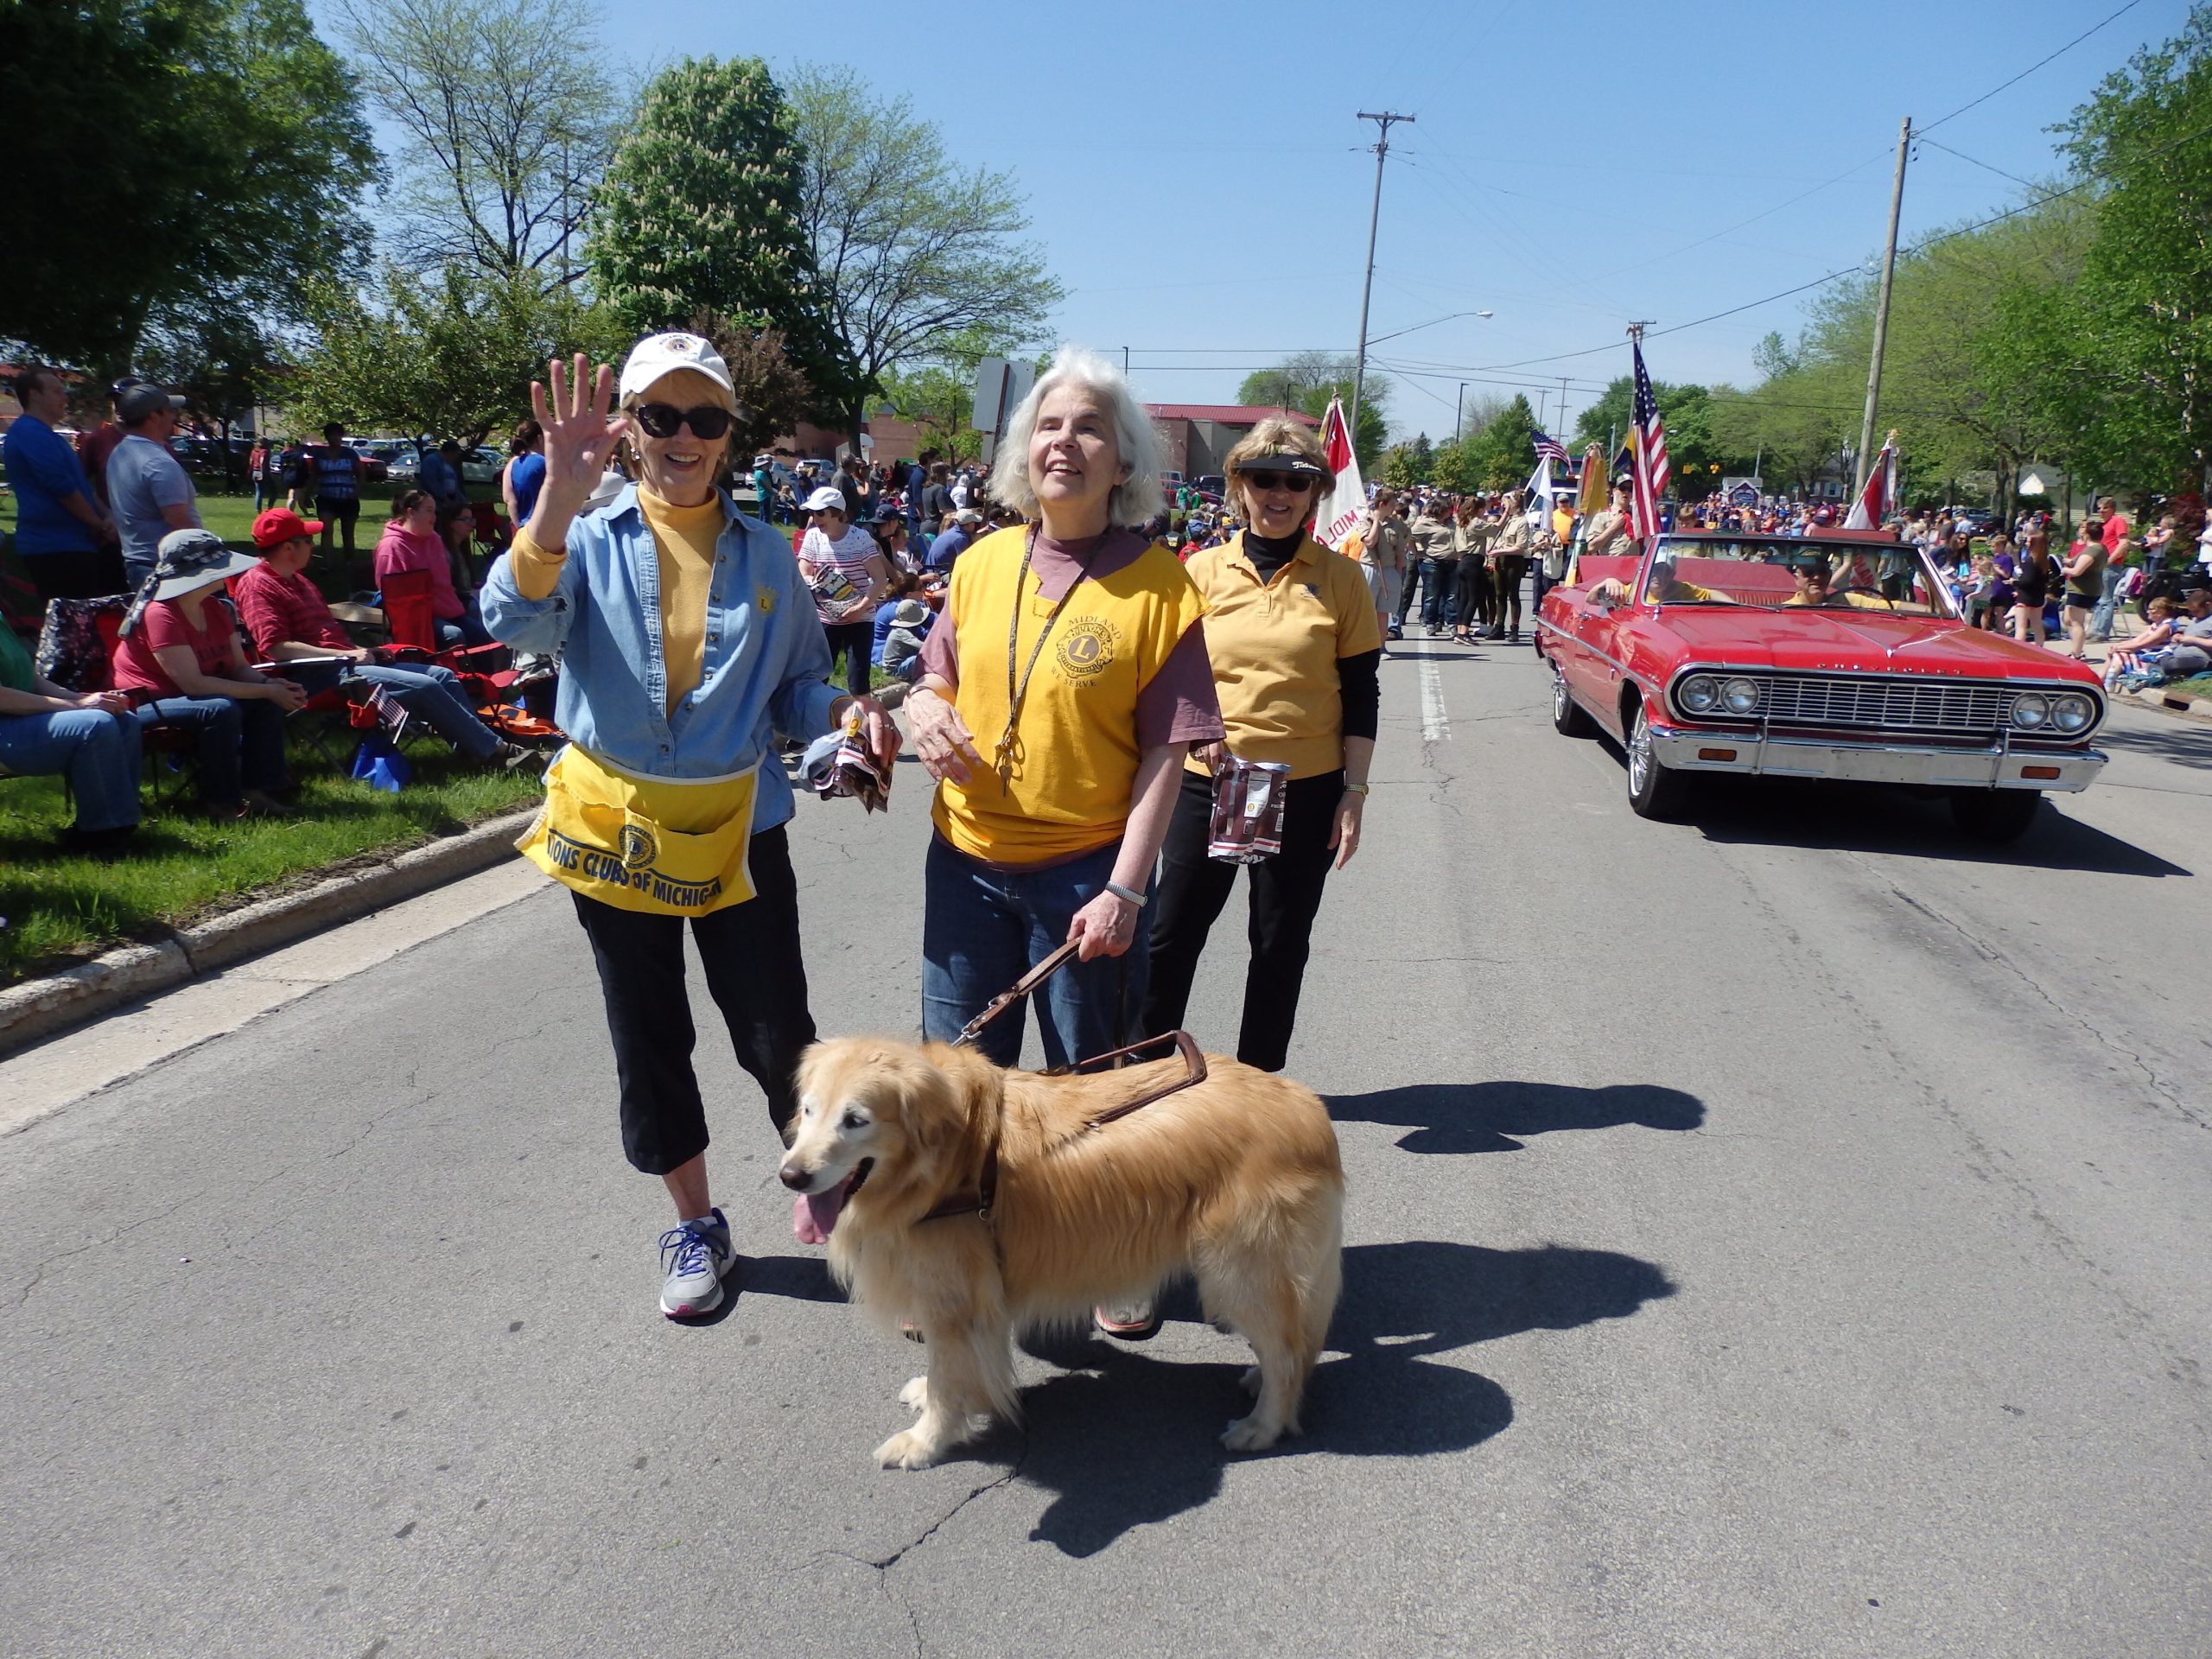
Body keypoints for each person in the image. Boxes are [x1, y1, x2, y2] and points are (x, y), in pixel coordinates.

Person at [480, 334, 897, 1319]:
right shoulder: (585, 535)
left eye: (704, 418)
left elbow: (796, 686)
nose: (683, 437)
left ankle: (852, 1210)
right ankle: (696, 1224)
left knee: (776, 1038)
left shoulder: (764, 553)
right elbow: (516, 624)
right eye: (660, 416)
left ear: (726, 434)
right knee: (649, 1036)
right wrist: (554, 500)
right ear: (629, 430)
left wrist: (841, 714)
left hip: (737, 832)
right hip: (613, 830)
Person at [904, 343, 1221, 1071]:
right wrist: (925, 710)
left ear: (1124, 462)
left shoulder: (1163, 591)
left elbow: (1166, 756)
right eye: (1049, 425)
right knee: (956, 1090)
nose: (1064, 442)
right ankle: (979, 1196)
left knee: (1090, 1092)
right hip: (964, 865)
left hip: (1086, 876)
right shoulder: (979, 561)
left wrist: (1124, 889)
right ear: (1024, 448)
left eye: (1089, 427)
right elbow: (933, 677)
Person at [1142, 418, 1377, 1078]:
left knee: (1278, 944)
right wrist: (1197, 731)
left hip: (1305, 787)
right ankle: (1147, 1076)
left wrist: (1353, 794)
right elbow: (1166, 678)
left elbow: (1361, 693)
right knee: (1170, 938)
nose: (1279, 494)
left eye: (1296, 482)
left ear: (1314, 493)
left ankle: (1256, 1088)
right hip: (1208, 781)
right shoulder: (1198, 571)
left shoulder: (1342, 579)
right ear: (1238, 486)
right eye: (1263, 479)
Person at [234, 507, 537, 770]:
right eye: (308, 540)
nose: (313, 546)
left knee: (443, 675)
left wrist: (362, 650)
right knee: (425, 686)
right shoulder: (259, 585)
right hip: (312, 676)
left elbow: (326, 634)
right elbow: (277, 648)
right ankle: (496, 752)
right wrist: (346, 656)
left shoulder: (299, 580)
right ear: (288, 548)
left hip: (342, 665)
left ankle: (472, 749)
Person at [111, 529, 302, 818]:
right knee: (218, 709)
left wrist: (271, 685)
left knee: (265, 701)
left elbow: (238, 668)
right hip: (147, 704)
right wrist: (266, 689)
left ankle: (258, 790)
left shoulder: (214, 608)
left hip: (197, 696)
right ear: (200, 573)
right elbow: (193, 684)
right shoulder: (160, 614)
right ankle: (219, 801)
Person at [0, 613, 142, 854]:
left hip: (21, 719)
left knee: (123, 720)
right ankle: (99, 838)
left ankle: (122, 826)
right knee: (95, 725)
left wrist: (87, 699)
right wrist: (79, 706)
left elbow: (32, 680)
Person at [3, 366, 123, 602]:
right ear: (34, 395)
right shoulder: (30, 433)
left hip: (75, 544)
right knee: (72, 629)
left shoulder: (49, 436)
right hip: (55, 548)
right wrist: (99, 525)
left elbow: (81, 487)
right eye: (57, 391)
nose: (65, 397)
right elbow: (63, 490)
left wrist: (107, 515)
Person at [797, 486, 893, 698]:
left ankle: (863, 727)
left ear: (838, 513)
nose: (815, 517)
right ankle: (819, 724)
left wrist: (861, 608)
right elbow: (804, 568)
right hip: (825, 619)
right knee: (816, 679)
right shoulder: (813, 537)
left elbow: (879, 579)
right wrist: (813, 581)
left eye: (821, 513)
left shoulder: (859, 538)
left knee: (858, 684)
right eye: (812, 512)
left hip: (859, 619)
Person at [104, 384, 198, 586]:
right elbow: (179, 525)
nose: (174, 416)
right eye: (169, 411)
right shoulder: (159, 463)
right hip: (165, 569)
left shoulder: (120, 453)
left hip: (136, 563)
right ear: (153, 417)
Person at [374, 490, 490, 648]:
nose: (434, 517)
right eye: (429, 511)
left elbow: (444, 583)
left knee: (486, 637)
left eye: (435, 512)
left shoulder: (434, 539)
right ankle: (454, 672)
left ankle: (483, 673)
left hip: (448, 611)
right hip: (417, 617)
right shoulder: (392, 547)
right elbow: (396, 598)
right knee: (454, 635)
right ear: (411, 513)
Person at [310, 423, 364, 569]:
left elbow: (361, 474)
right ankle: (327, 563)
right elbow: (314, 475)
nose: (335, 438)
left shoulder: (350, 454)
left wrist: (356, 491)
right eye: (332, 435)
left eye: (338, 435)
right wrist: (307, 493)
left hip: (348, 498)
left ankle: (349, 562)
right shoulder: (320, 454)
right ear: (327, 437)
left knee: (348, 533)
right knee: (326, 530)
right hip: (326, 497)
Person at [1402, 494, 1457, 637]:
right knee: (1432, 595)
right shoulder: (1425, 523)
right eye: (1447, 509)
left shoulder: (1451, 523)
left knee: (1451, 595)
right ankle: (1430, 623)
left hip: (1451, 562)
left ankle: (1452, 624)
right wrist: (1416, 553)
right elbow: (1410, 537)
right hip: (1432, 562)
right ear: (1439, 509)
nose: (1449, 512)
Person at [1488, 490, 1534, 639]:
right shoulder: (1508, 519)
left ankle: (1514, 628)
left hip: (1514, 561)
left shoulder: (1522, 522)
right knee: (1499, 594)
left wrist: (1502, 551)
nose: (1504, 503)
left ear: (1516, 503)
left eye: (1508, 500)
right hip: (1501, 559)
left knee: (1512, 594)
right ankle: (1499, 626)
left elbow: (1520, 547)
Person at [1451, 497, 1494, 646]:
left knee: (1463, 598)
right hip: (1473, 562)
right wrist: (1506, 513)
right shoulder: (1476, 522)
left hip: (1462, 561)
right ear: (1480, 509)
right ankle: (1464, 633)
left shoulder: (1461, 521)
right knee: (1474, 598)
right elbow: (1495, 530)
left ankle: (1459, 630)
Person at [2060, 524, 2106, 659]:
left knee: (2076, 622)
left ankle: (2077, 653)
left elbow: (2076, 571)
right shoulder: (2098, 548)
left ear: (2087, 535)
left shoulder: (2092, 551)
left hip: (2083, 591)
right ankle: (2077, 647)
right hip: (2080, 589)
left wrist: (2064, 570)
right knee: (2067, 619)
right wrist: (2070, 560)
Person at [501, 419, 546, 531]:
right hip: (545, 526)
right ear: (540, 438)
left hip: (523, 527)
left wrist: (519, 528)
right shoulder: (544, 462)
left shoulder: (514, 463)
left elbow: (509, 499)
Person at [2009, 531, 2053, 645]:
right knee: (2037, 626)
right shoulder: (2044, 561)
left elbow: (2027, 581)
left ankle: (2019, 651)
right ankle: (2040, 648)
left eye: (2029, 542)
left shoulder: (2030, 561)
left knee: (2021, 627)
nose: (2027, 544)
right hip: (2037, 597)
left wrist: (2015, 582)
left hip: (2025, 597)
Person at [925, 507, 978, 572]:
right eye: (974, 522)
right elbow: (965, 563)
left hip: (933, 570)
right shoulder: (960, 538)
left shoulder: (953, 532)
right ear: (969, 524)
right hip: (939, 575)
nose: (975, 525)